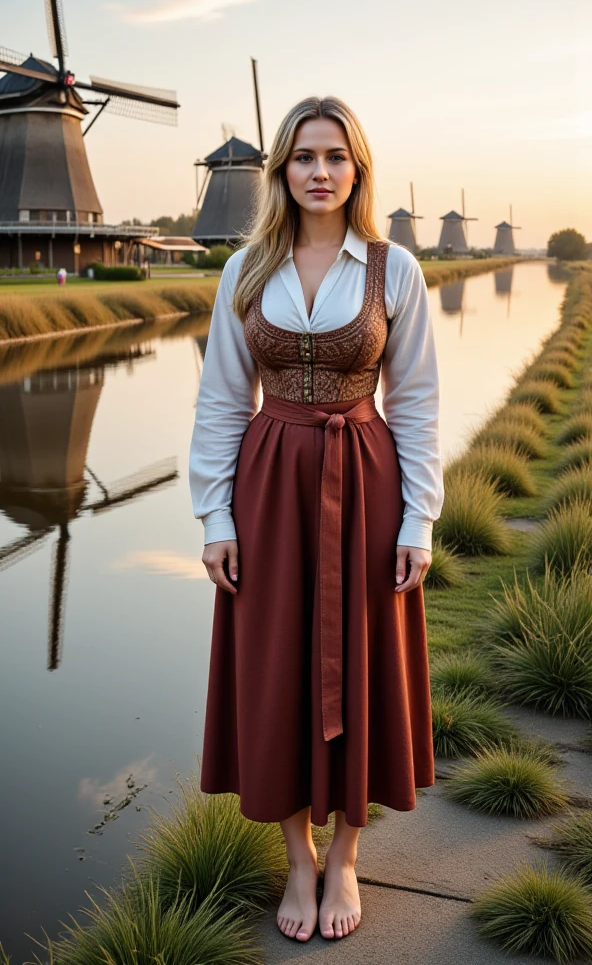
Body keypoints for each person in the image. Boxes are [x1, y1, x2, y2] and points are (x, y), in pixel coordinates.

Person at [189, 96, 444, 943]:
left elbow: (416, 405)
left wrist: (418, 523)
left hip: (366, 484)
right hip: (267, 488)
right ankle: (299, 857)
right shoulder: (245, 269)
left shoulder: (391, 267)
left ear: (357, 169)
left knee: (367, 659)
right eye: (304, 157)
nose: (321, 172)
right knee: (276, 666)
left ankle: (347, 858)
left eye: (336, 157)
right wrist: (213, 515)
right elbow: (223, 399)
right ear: (281, 171)